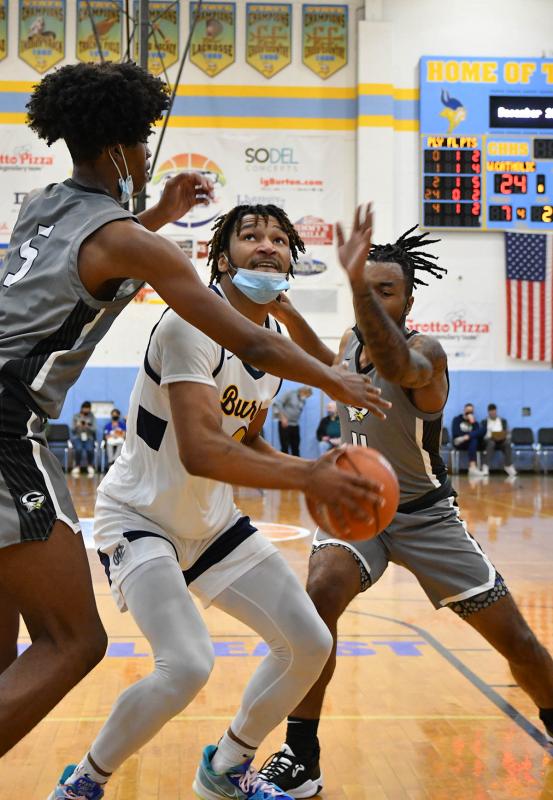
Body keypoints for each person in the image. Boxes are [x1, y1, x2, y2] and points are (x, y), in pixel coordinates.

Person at [0, 62, 385, 758]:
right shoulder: (140, 256)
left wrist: (158, 215)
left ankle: (229, 760)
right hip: (9, 429)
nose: (147, 157)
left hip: (198, 521)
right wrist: (337, 383)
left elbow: (96, 256)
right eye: (143, 144)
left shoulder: (42, 204)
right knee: (73, 640)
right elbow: (238, 339)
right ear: (121, 149)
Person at [49, 204, 388, 800]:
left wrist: (311, 470)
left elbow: (245, 436)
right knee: (185, 665)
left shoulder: (271, 349)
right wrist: (310, 475)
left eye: (280, 239)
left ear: (291, 261)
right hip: (139, 517)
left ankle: (227, 767)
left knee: (310, 642)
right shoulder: (186, 327)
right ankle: (83, 782)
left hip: (211, 525)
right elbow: (203, 451)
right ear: (220, 256)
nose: (266, 245)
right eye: (250, 235)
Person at [258, 209, 553, 798]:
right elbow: (329, 365)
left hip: (425, 515)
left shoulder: (426, 355)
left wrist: (353, 285)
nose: (370, 299)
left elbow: (394, 364)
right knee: (319, 598)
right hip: (357, 507)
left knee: (516, 640)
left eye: (384, 291)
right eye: (365, 289)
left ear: (407, 302)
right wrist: (286, 312)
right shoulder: (349, 341)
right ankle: (302, 753)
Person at [273, 386, 312, 456]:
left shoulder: (303, 400)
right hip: (285, 424)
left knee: (296, 447)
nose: (306, 397)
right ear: (303, 391)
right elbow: (277, 404)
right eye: (307, 395)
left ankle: (297, 465)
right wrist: (282, 418)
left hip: (295, 425)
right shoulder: (290, 394)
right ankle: (284, 465)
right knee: (285, 447)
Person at [481, 403, 517, 477]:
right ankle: (486, 466)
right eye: (491, 412)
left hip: (501, 440)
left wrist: (506, 434)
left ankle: (508, 465)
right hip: (489, 440)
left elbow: (506, 432)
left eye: (494, 412)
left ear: (496, 411)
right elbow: (482, 435)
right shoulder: (484, 422)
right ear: (488, 412)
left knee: (507, 443)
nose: (493, 414)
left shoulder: (503, 421)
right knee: (491, 443)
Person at [451, 403, 485, 477]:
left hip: (470, 443)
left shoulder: (474, 422)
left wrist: (473, 423)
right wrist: (468, 435)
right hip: (459, 442)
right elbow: (456, 433)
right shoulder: (457, 419)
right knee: (473, 438)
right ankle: (473, 468)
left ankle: (472, 468)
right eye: (467, 412)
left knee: (480, 433)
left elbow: (478, 433)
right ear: (464, 411)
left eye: (471, 412)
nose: (469, 414)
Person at [71, 401, 97, 476]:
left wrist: (87, 426)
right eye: (84, 408)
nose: (86, 410)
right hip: (78, 437)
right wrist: (77, 425)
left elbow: (94, 429)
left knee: (90, 449)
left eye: (87, 409)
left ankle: (90, 466)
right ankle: (77, 466)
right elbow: (72, 429)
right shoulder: (76, 416)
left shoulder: (92, 417)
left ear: (90, 409)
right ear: (82, 408)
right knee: (78, 449)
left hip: (89, 437)